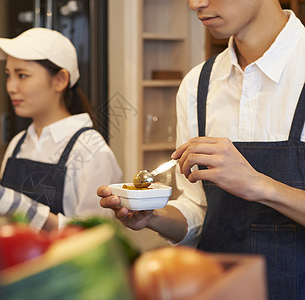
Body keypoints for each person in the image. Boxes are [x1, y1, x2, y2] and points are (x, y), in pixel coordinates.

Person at [98, 1, 304, 299]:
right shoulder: (198, 84)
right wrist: (153, 216)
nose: (195, 4)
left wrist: (257, 184)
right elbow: (199, 210)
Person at [0, 28, 122, 231]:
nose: (11, 86)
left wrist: (37, 217)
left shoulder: (91, 151)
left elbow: (97, 237)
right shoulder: (17, 144)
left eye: (22, 75)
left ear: (60, 80)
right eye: (8, 75)